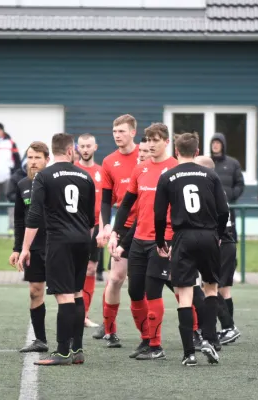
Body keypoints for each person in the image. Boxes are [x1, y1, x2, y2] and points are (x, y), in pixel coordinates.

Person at [18, 133, 95, 366]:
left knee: (64, 296)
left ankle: (62, 352)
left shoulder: (45, 176)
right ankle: (78, 350)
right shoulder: (85, 175)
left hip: (59, 241)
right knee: (78, 292)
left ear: (53, 151)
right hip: (83, 240)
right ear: (71, 150)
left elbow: (34, 214)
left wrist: (25, 248)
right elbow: (91, 217)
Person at [154, 132, 229, 366]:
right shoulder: (210, 174)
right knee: (210, 288)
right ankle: (209, 339)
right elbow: (224, 211)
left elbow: (158, 215)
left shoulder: (168, 176)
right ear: (197, 153)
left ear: (177, 152)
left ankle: (189, 353)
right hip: (208, 236)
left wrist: (159, 242)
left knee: (184, 295)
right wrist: (218, 234)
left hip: (183, 238)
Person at [108, 122, 178, 360]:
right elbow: (127, 204)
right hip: (138, 239)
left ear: (167, 142)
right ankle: (145, 339)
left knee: (154, 292)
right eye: (149, 140)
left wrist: (175, 239)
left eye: (156, 140)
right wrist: (116, 232)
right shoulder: (140, 169)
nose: (151, 144)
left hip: (163, 240)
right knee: (135, 292)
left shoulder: (175, 168)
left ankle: (157, 346)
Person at [93, 114, 140, 347]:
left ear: (133, 132)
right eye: (114, 132)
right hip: (122, 227)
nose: (117, 135)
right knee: (115, 278)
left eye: (122, 131)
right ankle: (110, 330)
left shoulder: (145, 154)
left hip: (147, 228)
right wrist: (106, 226)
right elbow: (105, 200)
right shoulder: (109, 161)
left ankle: (194, 328)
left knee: (152, 281)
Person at [194, 155, 241, 345]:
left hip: (222, 243)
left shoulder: (211, 189)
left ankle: (228, 327)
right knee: (217, 288)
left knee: (213, 288)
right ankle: (225, 328)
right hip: (222, 242)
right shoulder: (213, 187)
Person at [9, 142, 51, 353]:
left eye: (37, 158)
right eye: (30, 158)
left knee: (66, 294)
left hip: (56, 246)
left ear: (47, 159)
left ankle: (70, 342)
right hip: (33, 249)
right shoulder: (23, 184)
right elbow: (19, 220)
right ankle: (40, 340)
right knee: (35, 292)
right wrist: (17, 248)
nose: (33, 162)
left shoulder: (55, 182)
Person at [75, 133, 103, 328]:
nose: (85, 149)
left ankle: (83, 315)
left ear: (95, 147)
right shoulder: (72, 170)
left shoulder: (102, 172)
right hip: (75, 225)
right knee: (76, 269)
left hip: (96, 227)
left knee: (91, 268)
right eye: (82, 146)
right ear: (77, 148)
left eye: (88, 146)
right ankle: (72, 311)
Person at [210, 133, 245, 241]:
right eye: (213, 143)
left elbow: (240, 184)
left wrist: (231, 196)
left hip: (228, 208)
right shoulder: (206, 163)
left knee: (229, 237)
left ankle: (232, 258)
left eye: (218, 143)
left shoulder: (233, 163)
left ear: (223, 145)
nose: (215, 145)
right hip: (210, 208)